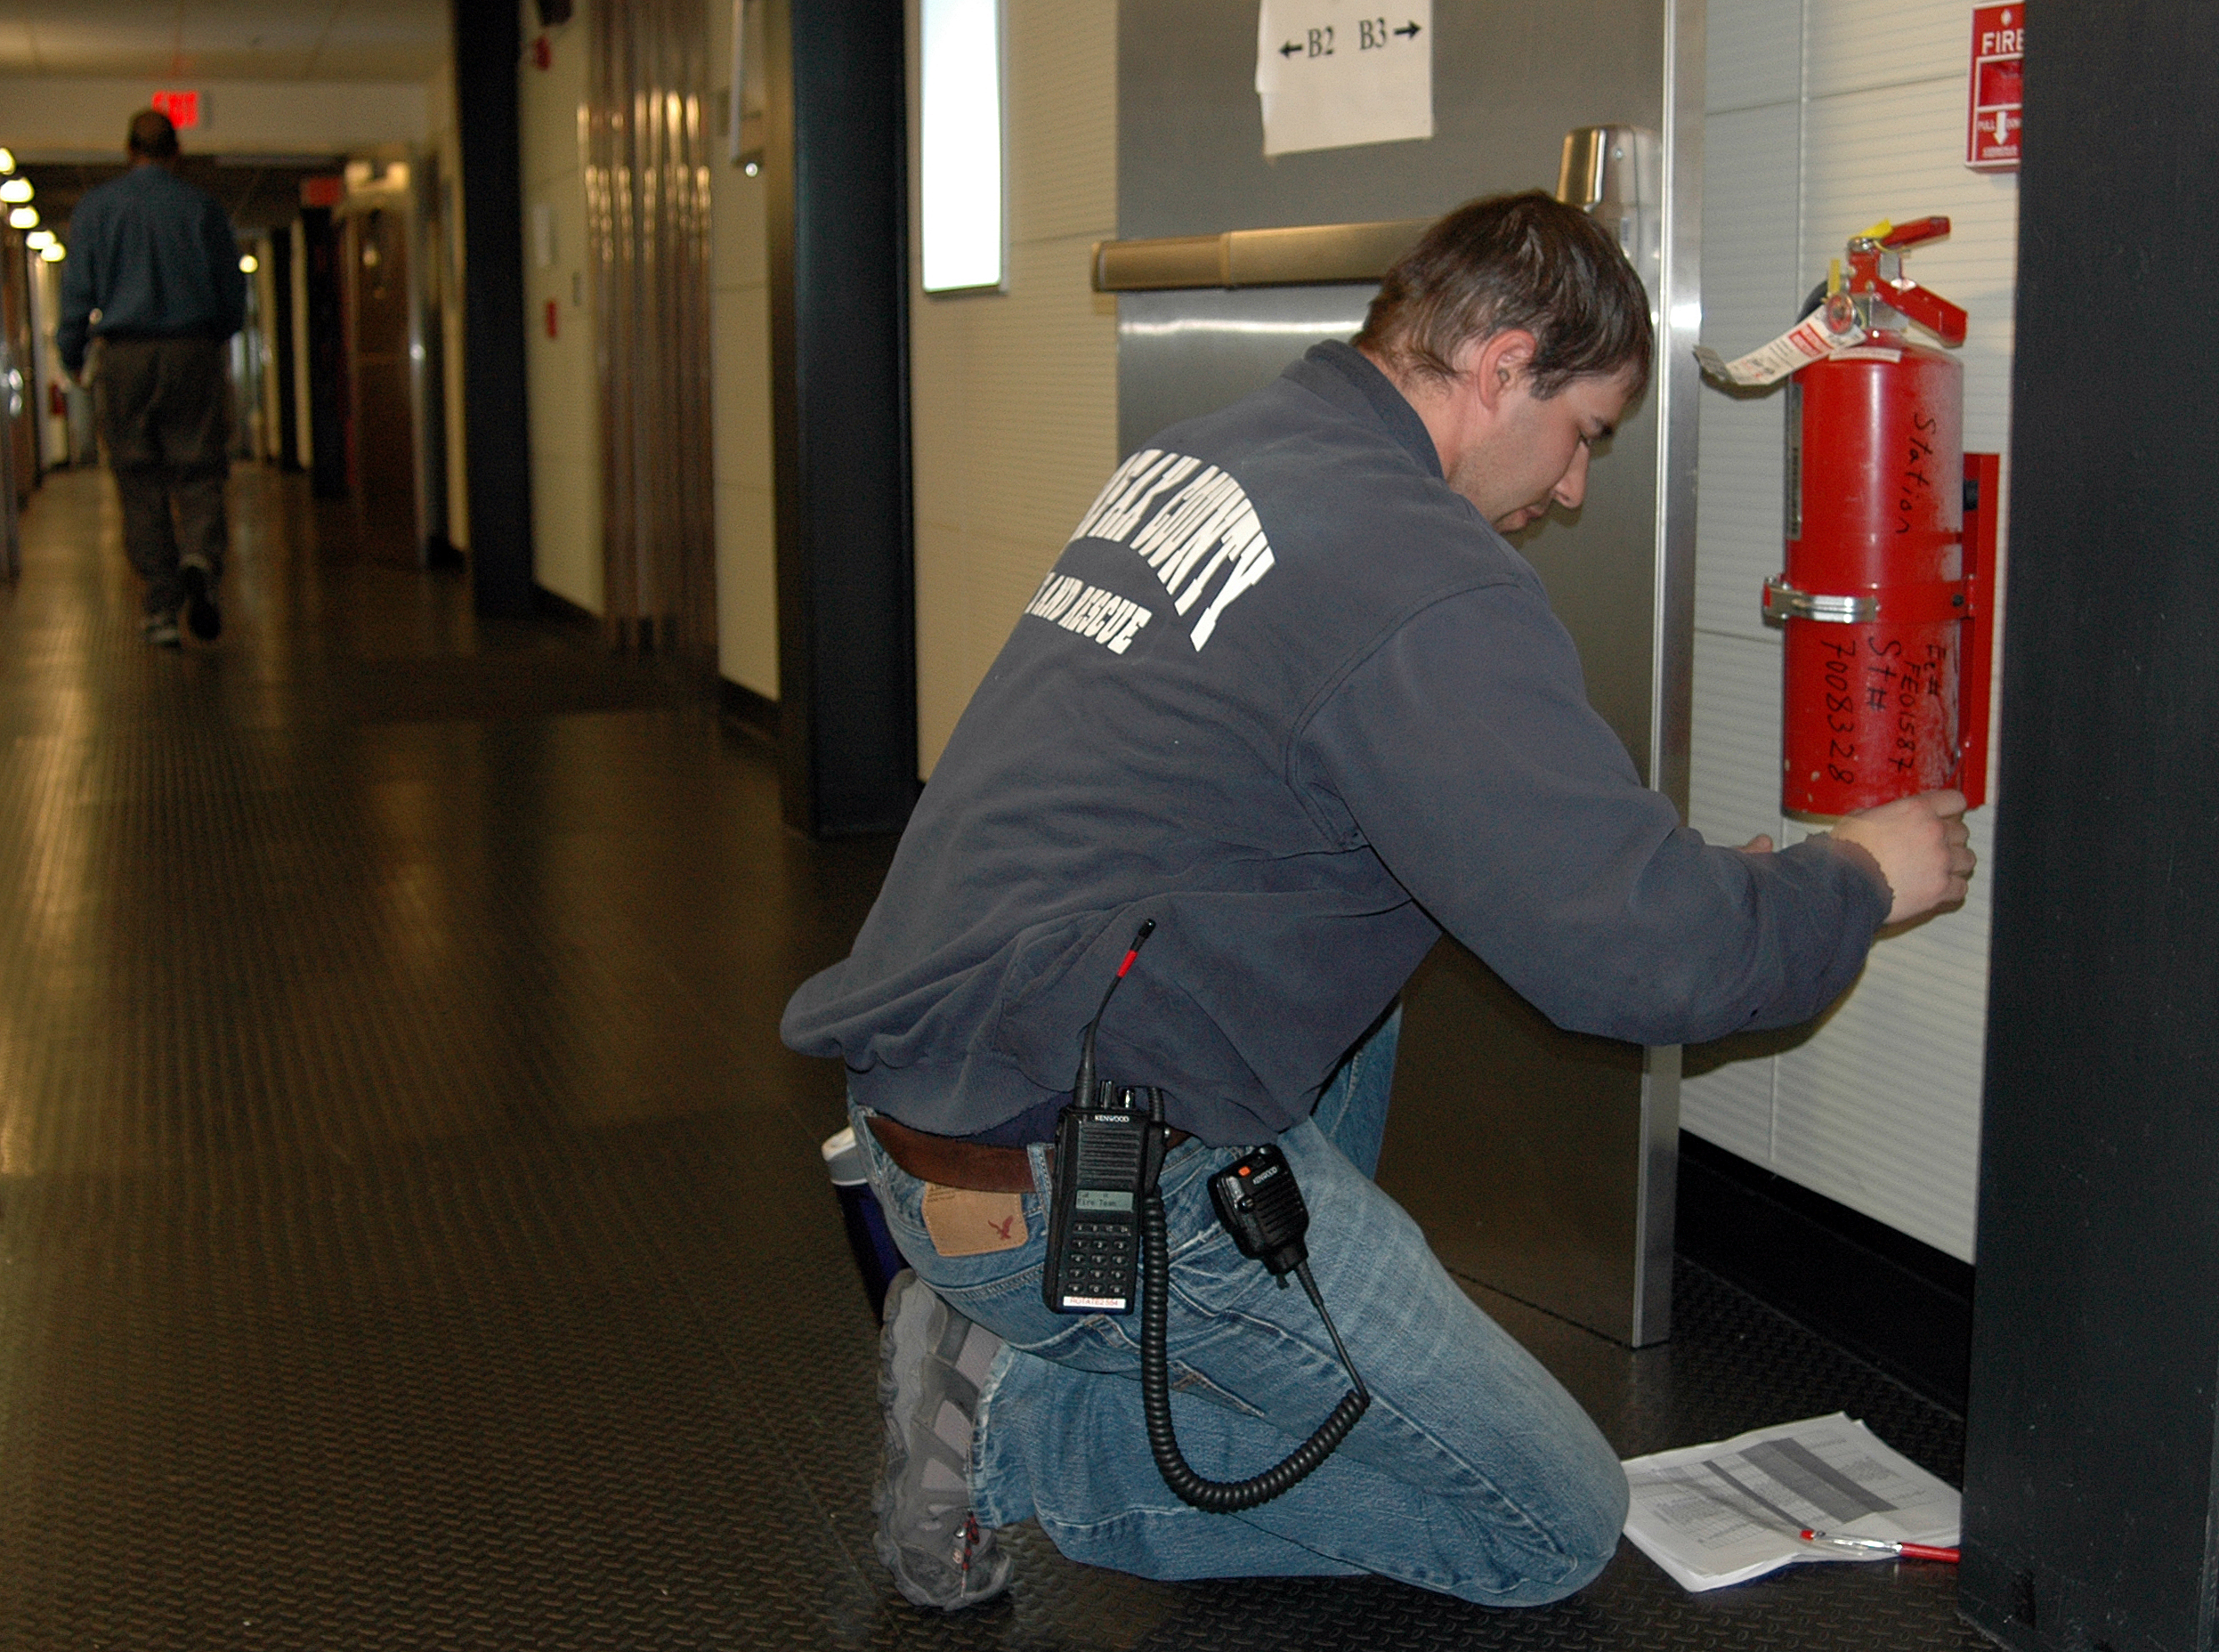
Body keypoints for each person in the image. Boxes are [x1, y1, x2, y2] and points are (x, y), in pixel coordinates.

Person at [782, 191, 1973, 1612]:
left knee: (1382, 895)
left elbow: (1538, 863)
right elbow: (1638, 961)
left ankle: (1175, 1333)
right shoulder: (1417, 572)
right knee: (1546, 1525)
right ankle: (1014, 1433)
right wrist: (1863, 876)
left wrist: (1677, 884)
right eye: (1586, 432)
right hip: (1061, 1180)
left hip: (953, 1085)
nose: (1576, 489)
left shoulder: (1217, 452)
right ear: (1500, 365)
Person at [57, 109, 245, 648]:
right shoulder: (202, 208)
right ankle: (200, 561)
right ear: (176, 151)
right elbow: (231, 290)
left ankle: (162, 605)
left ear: (128, 150)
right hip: (192, 349)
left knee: (138, 479)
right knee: (200, 468)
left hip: (125, 357)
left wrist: (72, 351)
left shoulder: (96, 208)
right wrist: (216, 337)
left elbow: (78, 293)